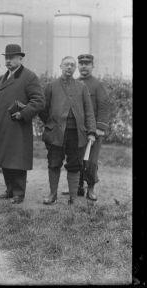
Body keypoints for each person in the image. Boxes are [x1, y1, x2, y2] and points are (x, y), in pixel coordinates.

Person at [0, 44, 45, 204]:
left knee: (17, 160)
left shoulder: (29, 76)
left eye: (11, 58)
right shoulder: (4, 76)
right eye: (6, 58)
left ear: (20, 58)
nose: (8, 61)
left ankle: (19, 193)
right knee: (5, 159)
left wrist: (23, 113)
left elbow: (39, 101)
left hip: (18, 126)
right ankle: (10, 190)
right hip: (3, 126)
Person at [39, 56, 96, 205]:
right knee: (54, 162)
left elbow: (89, 111)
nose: (69, 67)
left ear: (75, 68)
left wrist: (91, 131)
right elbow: (43, 109)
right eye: (66, 64)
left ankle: (73, 197)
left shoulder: (82, 87)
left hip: (76, 133)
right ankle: (52, 195)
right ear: (61, 66)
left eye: (72, 65)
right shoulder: (51, 86)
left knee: (75, 164)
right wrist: (52, 124)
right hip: (56, 133)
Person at [73, 54, 110, 200]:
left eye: (87, 64)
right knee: (78, 160)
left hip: (94, 131)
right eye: (81, 63)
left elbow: (104, 107)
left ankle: (91, 188)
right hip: (78, 130)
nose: (83, 66)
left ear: (92, 66)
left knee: (91, 162)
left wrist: (99, 128)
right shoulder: (74, 83)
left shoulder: (97, 85)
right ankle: (79, 186)